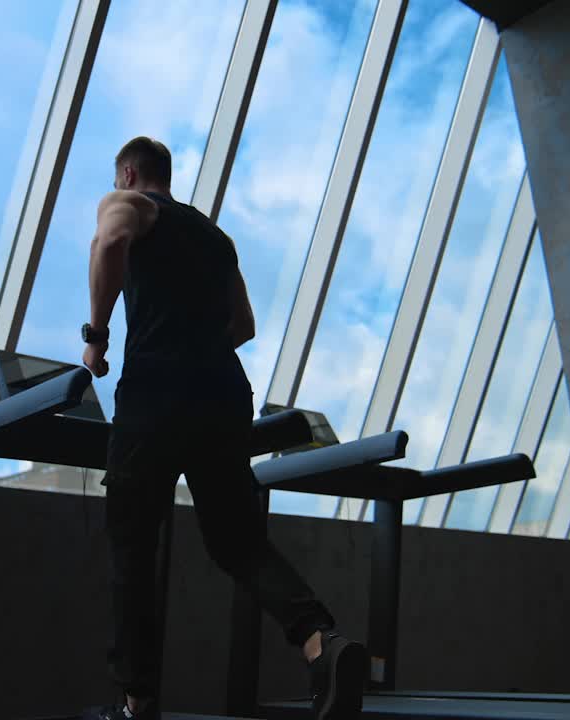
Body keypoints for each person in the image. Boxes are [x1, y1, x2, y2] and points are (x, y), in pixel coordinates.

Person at [80, 137, 368, 720]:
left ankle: (137, 702)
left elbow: (109, 240)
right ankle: (320, 641)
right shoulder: (217, 238)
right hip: (224, 394)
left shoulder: (130, 203)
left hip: (155, 392)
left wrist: (97, 338)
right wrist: (199, 349)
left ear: (129, 173)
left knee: (133, 542)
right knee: (237, 541)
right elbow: (244, 324)